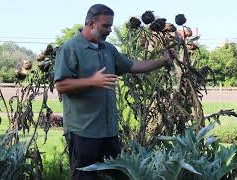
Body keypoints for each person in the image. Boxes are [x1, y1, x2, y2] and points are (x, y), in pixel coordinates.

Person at [54, 4, 176, 180]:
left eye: (111, 25)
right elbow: (61, 85)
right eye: (105, 26)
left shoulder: (108, 49)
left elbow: (133, 66)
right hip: (83, 132)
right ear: (90, 24)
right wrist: (92, 81)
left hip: (109, 132)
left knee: (118, 176)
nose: (110, 30)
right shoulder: (71, 48)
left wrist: (164, 61)